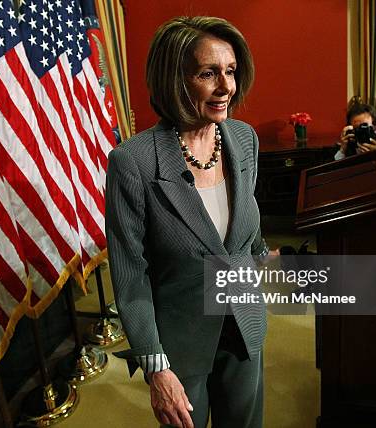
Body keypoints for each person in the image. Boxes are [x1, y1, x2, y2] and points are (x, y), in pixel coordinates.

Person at [105, 16, 275, 428]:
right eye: (208, 73)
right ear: (175, 79)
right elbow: (131, 278)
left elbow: (246, 228)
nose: (226, 87)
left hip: (244, 323)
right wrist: (156, 367)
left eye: (231, 71)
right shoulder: (134, 162)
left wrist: (259, 259)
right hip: (180, 346)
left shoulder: (244, 138)